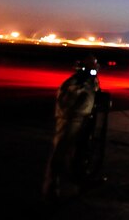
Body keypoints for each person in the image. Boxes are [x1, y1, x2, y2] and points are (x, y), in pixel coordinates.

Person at [42, 53, 101, 201]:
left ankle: (76, 182)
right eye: (91, 65)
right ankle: (51, 187)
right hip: (71, 121)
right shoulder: (74, 82)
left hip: (84, 120)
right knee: (59, 153)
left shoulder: (90, 81)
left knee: (79, 154)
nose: (94, 68)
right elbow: (64, 105)